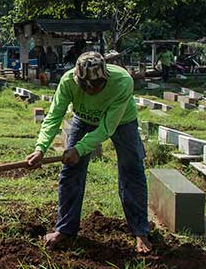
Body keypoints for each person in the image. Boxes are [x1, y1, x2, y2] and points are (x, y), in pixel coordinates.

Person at [26, 51, 152, 253]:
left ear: (105, 78)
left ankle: (140, 231)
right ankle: (65, 230)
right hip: (84, 118)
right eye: (85, 86)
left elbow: (107, 127)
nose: (91, 90)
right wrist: (41, 148)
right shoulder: (68, 81)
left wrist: (80, 148)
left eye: (96, 85)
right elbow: (54, 116)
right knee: (71, 171)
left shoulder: (122, 82)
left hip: (122, 121)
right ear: (78, 80)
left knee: (132, 170)